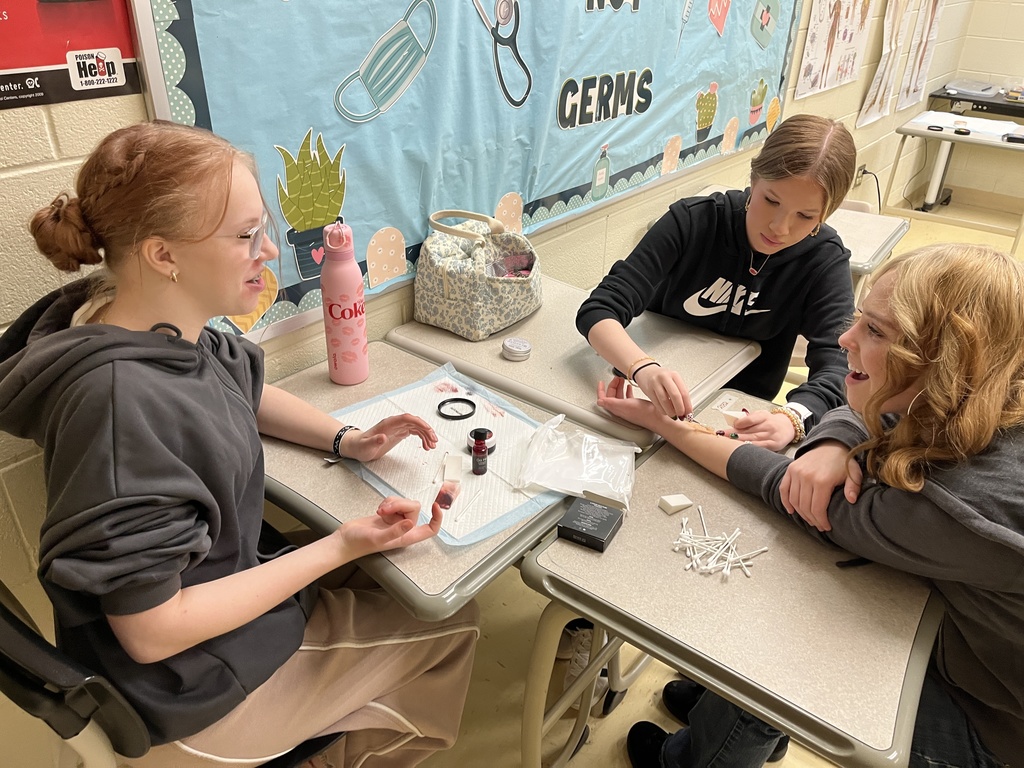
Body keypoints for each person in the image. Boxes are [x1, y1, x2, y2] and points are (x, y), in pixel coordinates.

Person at [0, 121, 479, 768]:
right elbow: (151, 630)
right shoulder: (120, 404)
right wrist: (340, 544)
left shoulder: (137, 315)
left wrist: (348, 439)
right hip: (187, 695)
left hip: (212, 620)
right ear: (164, 255)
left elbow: (240, 382)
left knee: (384, 579)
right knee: (453, 617)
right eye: (246, 236)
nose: (270, 252)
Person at [596, 243, 1022, 768]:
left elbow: (794, 495)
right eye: (858, 320)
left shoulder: (959, 511)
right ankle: (732, 715)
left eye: (876, 331)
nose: (845, 339)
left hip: (991, 726)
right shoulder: (987, 388)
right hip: (969, 634)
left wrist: (664, 424)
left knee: (783, 638)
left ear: (943, 362)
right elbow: (867, 405)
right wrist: (831, 439)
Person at [577, 113, 858, 453]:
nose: (780, 228)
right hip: (647, 397)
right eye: (771, 201)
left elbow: (840, 364)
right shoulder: (693, 221)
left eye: (806, 216)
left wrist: (792, 418)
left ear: (826, 214)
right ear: (753, 179)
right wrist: (642, 368)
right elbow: (599, 309)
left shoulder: (824, 260)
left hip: (740, 414)